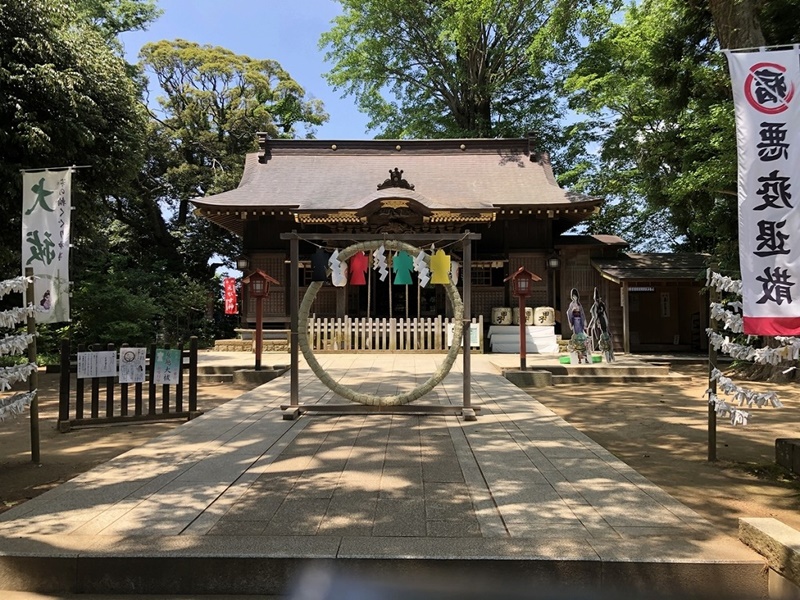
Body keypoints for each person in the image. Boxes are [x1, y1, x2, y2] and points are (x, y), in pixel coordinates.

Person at [566, 288, 589, 363]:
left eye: (575, 296)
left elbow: (582, 313)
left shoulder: (579, 304)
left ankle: (584, 356)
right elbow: (568, 312)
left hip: (580, 321)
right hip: (575, 321)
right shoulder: (571, 304)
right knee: (576, 337)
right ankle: (579, 357)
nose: (574, 297)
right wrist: (572, 311)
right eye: (573, 296)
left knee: (582, 336)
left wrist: (584, 322)